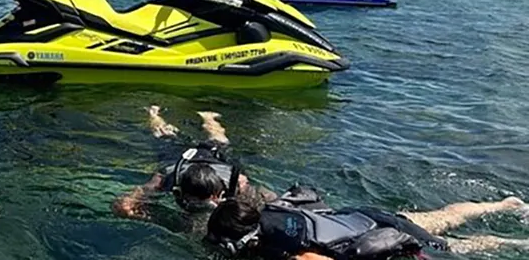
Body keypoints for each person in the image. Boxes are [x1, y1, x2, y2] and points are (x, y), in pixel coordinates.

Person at [204, 182, 529, 259]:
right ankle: (503, 204)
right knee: (444, 217)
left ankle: (517, 245)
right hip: (363, 216)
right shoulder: (270, 209)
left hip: (380, 236)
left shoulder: (297, 255)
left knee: (454, 248)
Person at [112, 106, 274, 223]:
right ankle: (153, 113)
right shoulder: (169, 179)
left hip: (213, 160)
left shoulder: (232, 181)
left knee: (219, 141)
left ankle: (208, 117)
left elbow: (246, 183)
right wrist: (128, 203)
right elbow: (142, 191)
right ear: (183, 192)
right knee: (163, 136)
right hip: (180, 161)